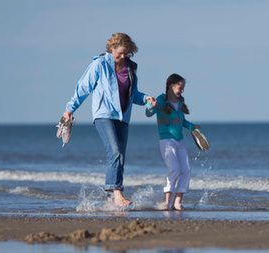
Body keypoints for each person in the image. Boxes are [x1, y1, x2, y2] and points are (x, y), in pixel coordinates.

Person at [62, 33, 155, 207]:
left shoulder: (131, 68)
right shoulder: (99, 64)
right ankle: (118, 193)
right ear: (111, 48)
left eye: (126, 54)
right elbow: (83, 88)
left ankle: (111, 198)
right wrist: (69, 109)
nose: (122, 57)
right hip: (103, 115)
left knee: (119, 156)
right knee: (115, 152)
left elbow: (133, 94)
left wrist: (146, 99)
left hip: (123, 117)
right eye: (119, 53)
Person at [145, 73, 200, 211]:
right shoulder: (161, 99)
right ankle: (167, 202)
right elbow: (149, 113)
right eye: (180, 86)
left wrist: (192, 127)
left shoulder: (181, 101)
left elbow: (181, 121)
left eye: (183, 87)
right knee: (174, 169)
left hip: (180, 141)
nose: (182, 90)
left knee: (186, 170)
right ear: (171, 85)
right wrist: (151, 105)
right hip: (166, 141)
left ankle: (177, 202)